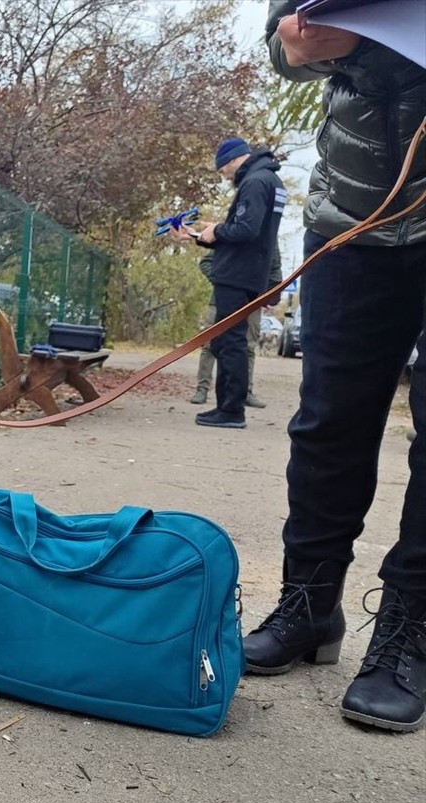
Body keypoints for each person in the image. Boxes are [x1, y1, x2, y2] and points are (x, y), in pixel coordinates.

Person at [243, 4, 425, 733]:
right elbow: (283, 40)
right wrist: (299, 42)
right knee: (326, 421)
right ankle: (310, 605)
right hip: (351, 218)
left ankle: (409, 630)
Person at [174, 138, 286, 428]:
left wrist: (217, 229)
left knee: (230, 341)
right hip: (249, 273)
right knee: (228, 340)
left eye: (223, 170)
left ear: (234, 160)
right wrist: (199, 236)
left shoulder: (255, 182)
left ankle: (231, 410)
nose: (225, 176)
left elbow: (245, 230)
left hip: (236, 277)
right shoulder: (270, 180)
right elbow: (251, 236)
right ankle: (227, 406)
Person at [189, 246, 283, 408]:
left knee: (248, 346)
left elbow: (275, 271)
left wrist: (268, 295)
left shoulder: (270, 238)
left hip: (252, 302)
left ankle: (245, 391)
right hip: (222, 299)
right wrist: (224, 282)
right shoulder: (234, 233)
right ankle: (202, 388)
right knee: (210, 343)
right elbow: (206, 262)